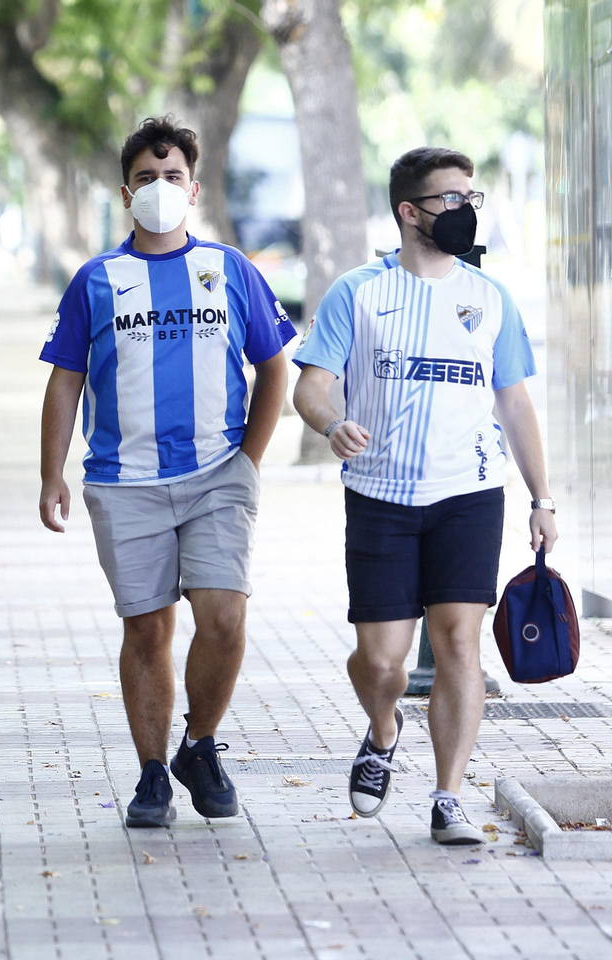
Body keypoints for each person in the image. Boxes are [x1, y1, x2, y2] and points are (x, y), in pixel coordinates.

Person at [292, 147, 555, 844]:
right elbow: (311, 382)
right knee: (381, 662)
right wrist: (331, 420)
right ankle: (383, 730)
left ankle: (448, 797)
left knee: (460, 646)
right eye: (451, 198)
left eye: (472, 196)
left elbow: (515, 402)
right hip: (380, 495)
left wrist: (542, 498)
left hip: (468, 493)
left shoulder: (489, 297)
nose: (466, 210)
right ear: (410, 212)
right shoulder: (358, 292)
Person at [38, 117, 295, 829]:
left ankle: (199, 744)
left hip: (219, 474)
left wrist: (249, 456)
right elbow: (65, 381)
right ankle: (153, 774)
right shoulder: (97, 281)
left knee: (224, 616)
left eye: (172, 176)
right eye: (147, 179)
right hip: (124, 482)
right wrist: (50, 473)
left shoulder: (231, 270)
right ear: (127, 193)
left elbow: (273, 364)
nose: (161, 188)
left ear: (195, 187)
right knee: (148, 627)